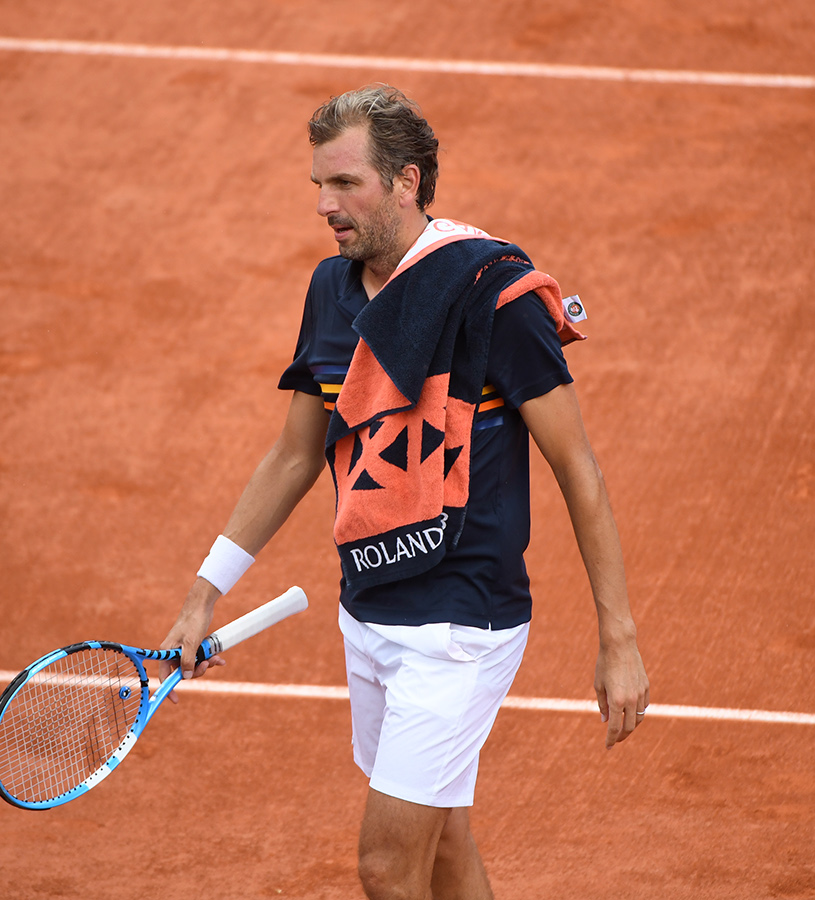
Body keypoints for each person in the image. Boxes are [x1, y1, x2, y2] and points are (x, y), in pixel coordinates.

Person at [162, 84, 648, 900]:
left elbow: (579, 470)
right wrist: (204, 592)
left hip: (461, 625)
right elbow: (294, 455)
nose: (324, 205)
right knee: (446, 842)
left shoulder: (495, 297)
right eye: (318, 184)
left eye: (345, 183)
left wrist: (619, 638)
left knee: (387, 867)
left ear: (407, 182)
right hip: (372, 606)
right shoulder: (330, 291)